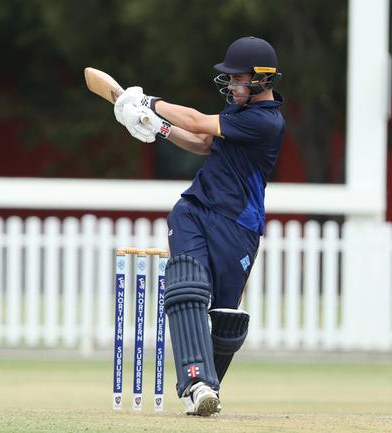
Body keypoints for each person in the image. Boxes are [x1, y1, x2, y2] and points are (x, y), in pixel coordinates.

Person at [113, 36, 285, 416]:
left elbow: (194, 120)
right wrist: (155, 127)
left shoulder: (266, 121)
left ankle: (208, 389)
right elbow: (203, 142)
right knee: (188, 285)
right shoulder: (238, 110)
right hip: (196, 208)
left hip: (238, 224)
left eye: (238, 79)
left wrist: (150, 102)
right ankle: (196, 383)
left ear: (261, 79)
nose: (232, 85)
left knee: (225, 319)